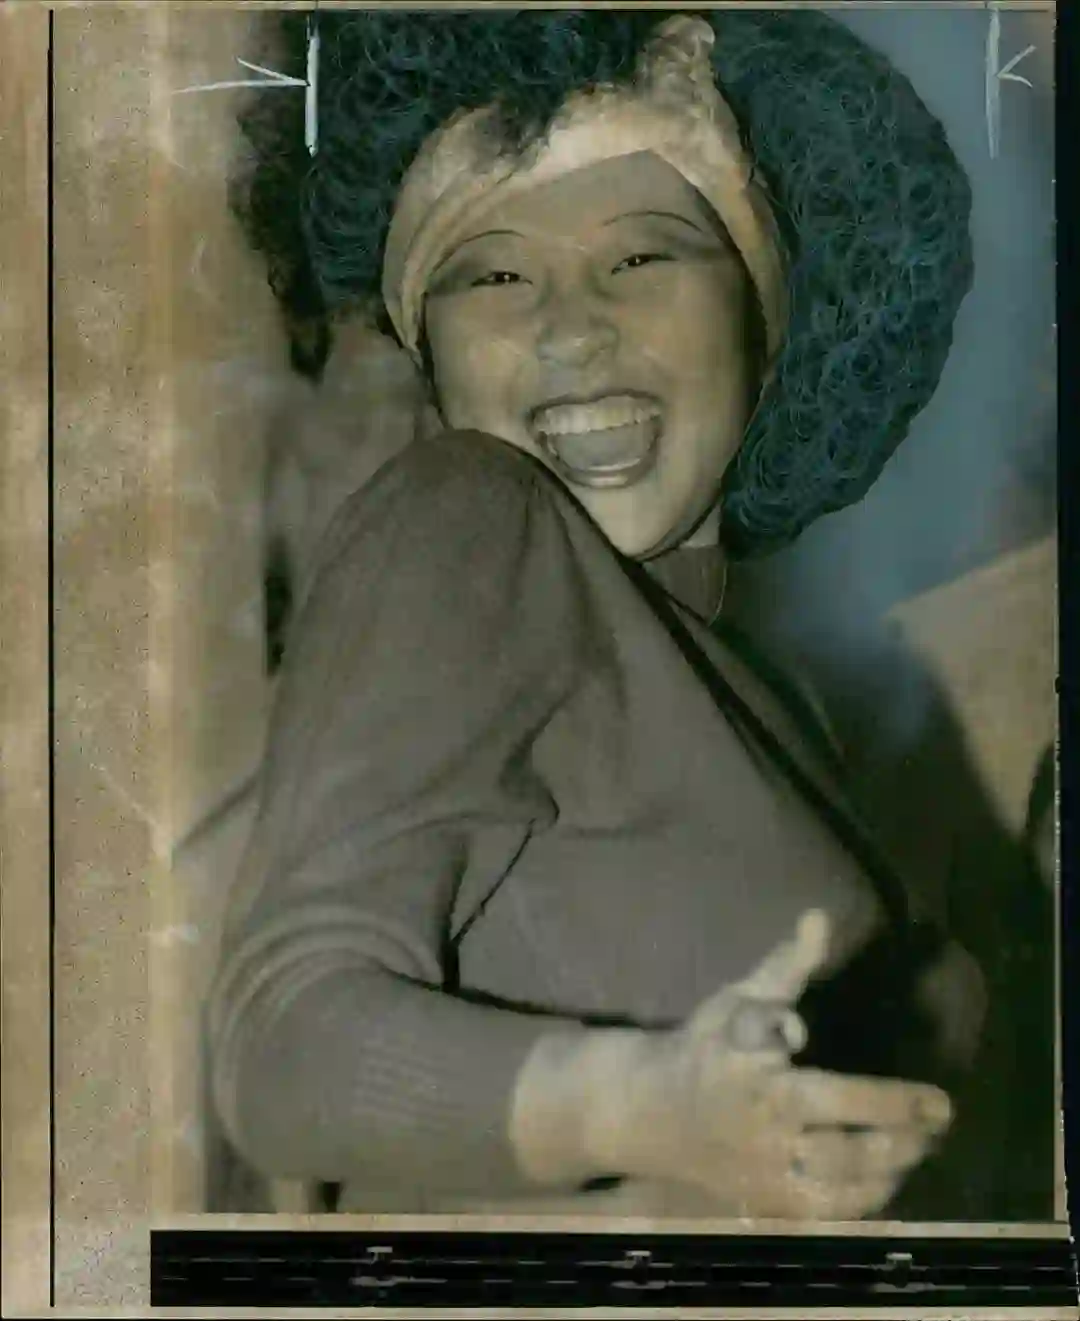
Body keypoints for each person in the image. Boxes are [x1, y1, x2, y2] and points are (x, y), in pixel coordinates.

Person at [207, 9, 982, 1217]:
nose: (568, 328)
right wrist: (638, 1104)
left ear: (766, 320)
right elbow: (280, 1045)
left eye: (641, 259)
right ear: (428, 355)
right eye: (494, 276)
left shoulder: (778, 701)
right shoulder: (470, 511)